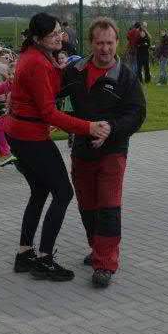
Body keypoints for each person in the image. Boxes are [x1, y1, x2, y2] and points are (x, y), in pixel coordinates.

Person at [6, 12, 111, 282]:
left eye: (59, 32)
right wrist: (88, 127)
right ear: (38, 38)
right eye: (53, 34)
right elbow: (49, 113)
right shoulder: (37, 63)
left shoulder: (35, 56)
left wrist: (62, 69)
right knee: (63, 193)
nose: (59, 37)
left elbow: (46, 86)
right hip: (31, 137)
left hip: (18, 133)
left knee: (40, 191)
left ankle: (24, 254)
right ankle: (44, 260)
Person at [60, 17, 146, 288]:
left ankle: (105, 263)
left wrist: (112, 128)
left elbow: (137, 114)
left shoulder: (126, 77)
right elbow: (55, 96)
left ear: (117, 42)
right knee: (87, 205)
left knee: (108, 206)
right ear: (91, 43)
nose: (105, 49)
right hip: (82, 149)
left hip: (113, 151)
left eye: (109, 43)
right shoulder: (74, 71)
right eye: (99, 43)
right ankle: (97, 247)